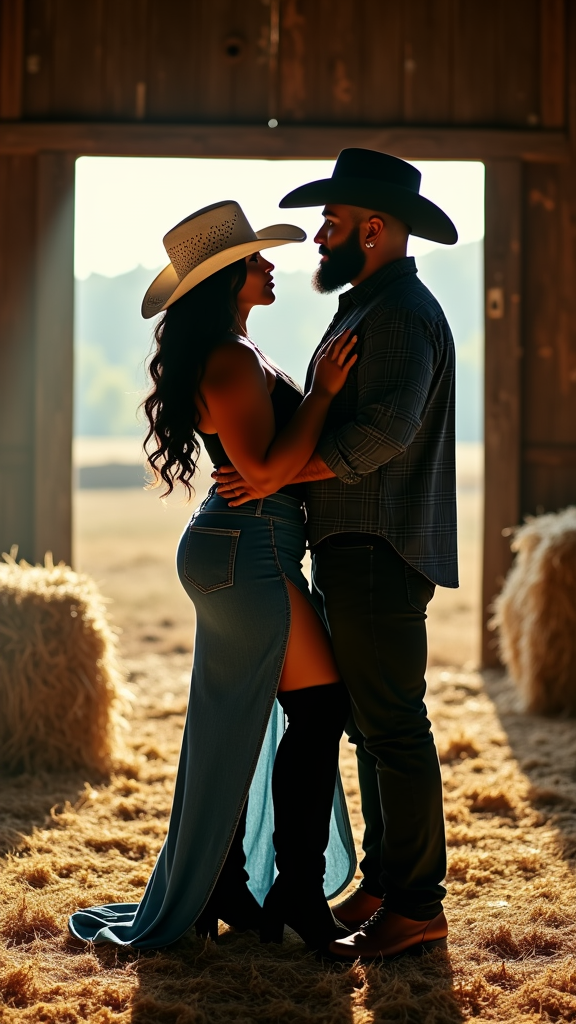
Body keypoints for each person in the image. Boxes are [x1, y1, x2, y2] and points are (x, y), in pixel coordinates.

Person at [68, 200, 357, 952]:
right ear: (229, 275)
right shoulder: (229, 360)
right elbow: (261, 470)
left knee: (273, 715)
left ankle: (239, 886)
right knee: (319, 707)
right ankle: (287, 895)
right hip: (247, 547)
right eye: (257, 258)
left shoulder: (236, 352)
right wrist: (323, 393)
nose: (270, 265)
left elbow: (260, 467)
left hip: (249, 544)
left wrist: (283, 452)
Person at [215, 150, 459, 960]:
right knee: (373, 726)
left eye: (331, 222)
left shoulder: (397, 314)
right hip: (358, 544)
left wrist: (283, 473)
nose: (319, 237)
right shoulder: (372, 305)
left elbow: (386, 430)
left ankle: (418, 904)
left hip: (376, 545)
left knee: (393, 727)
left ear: (374, 228)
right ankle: (389, 884)